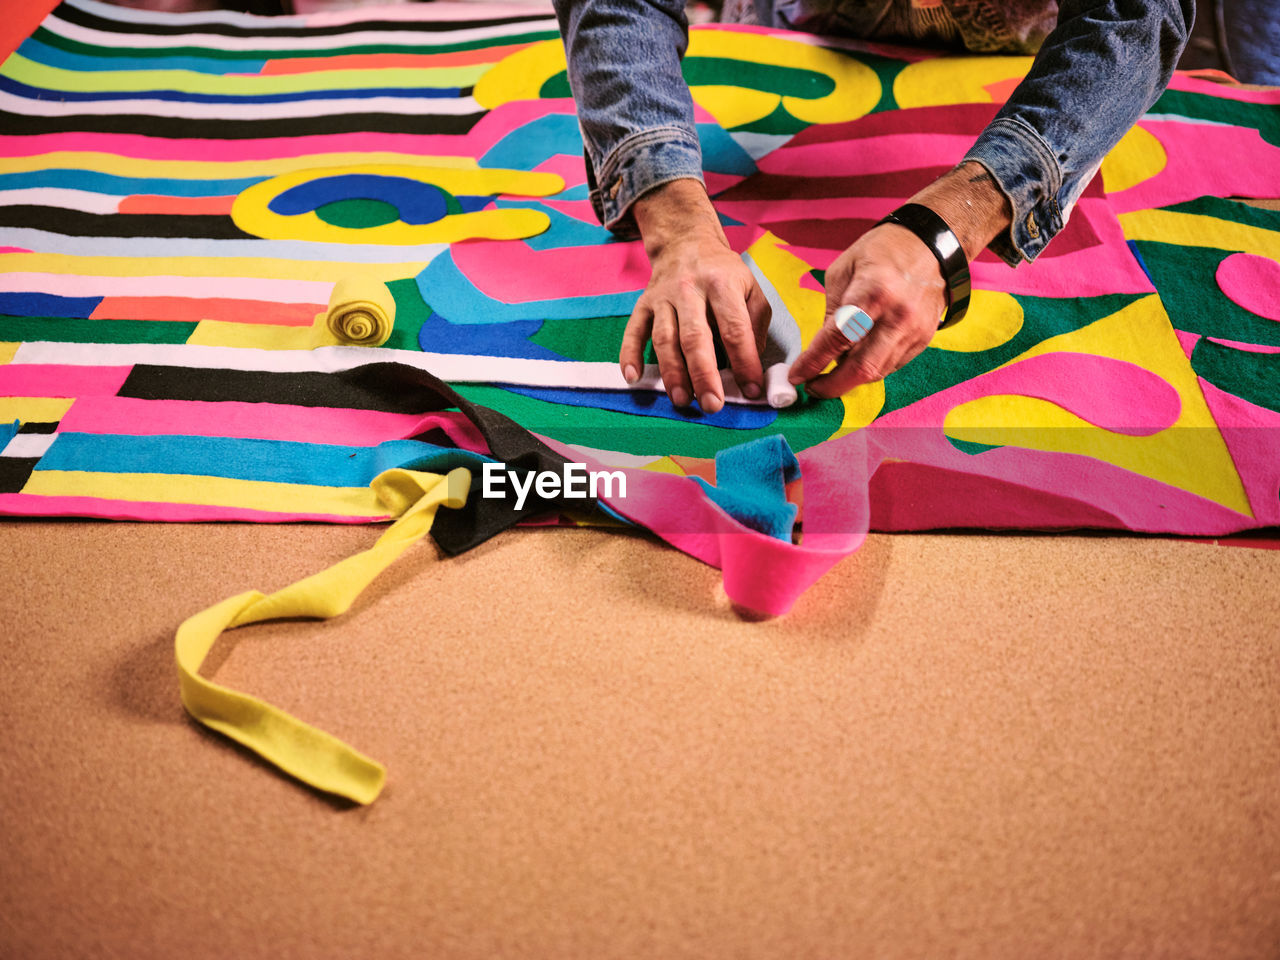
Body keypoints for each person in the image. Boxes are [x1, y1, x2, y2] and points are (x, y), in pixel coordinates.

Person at [551, 0, 1193, 412]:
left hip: (1030, 67)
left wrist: (951, 225)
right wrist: (675, 222)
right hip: (797, 35)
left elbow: (1134, 14)